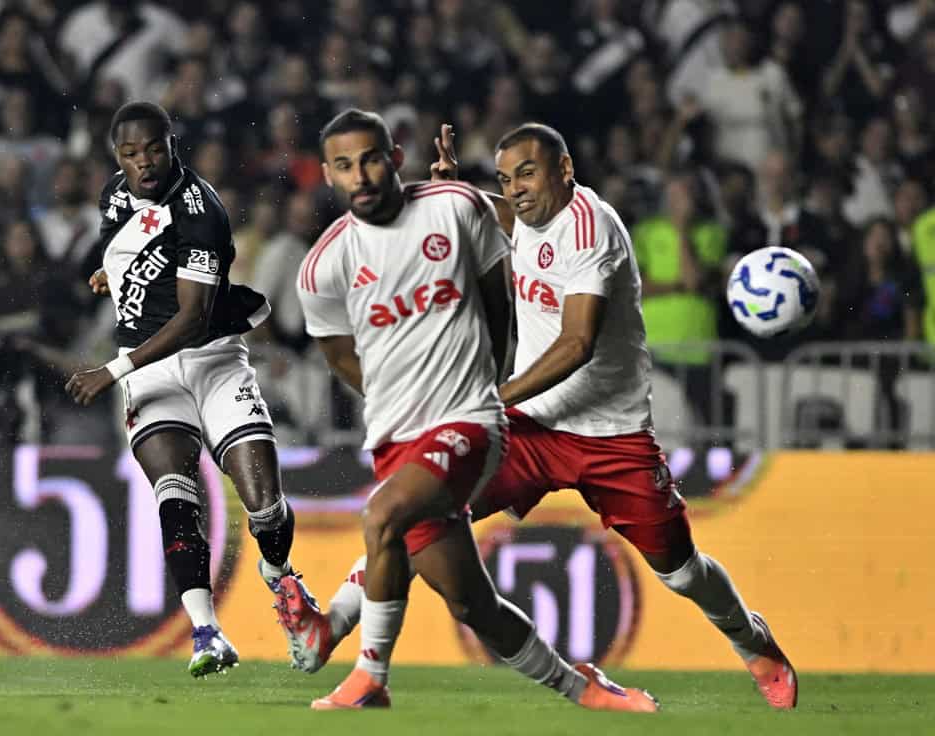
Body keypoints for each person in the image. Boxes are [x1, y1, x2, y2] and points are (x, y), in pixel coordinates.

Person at [279, 122, 798, 710]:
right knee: (414, 510)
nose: (517, 189)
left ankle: (750, 640)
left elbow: (577, 344)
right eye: (506, 179)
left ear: (565, 169)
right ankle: (333, 626)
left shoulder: (591, 227)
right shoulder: (519, 219)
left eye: (527, 173)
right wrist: (458, 195)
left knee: (680, 572)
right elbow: (489, 217)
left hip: (611, 435)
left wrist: (492, 395)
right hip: (530, 431)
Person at [288, 108, 657, 712]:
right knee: (471, 604)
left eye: (372, 158)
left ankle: (369, 679)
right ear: (327, 176)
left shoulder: (455, 207)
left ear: (396, 157)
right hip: (396, 435)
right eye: (345, 165)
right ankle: (583, 688)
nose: (361, 175)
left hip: (470, 421)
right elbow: (338, 354)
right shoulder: (322, 268)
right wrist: (389, 392)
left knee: (381, 517)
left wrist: (480, 379)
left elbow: (497, 298)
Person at [65, 101, 311, 678]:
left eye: (153, 149)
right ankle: (207, 634)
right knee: (175, 496)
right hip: (153, 373)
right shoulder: (115, 194)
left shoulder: (201, 212)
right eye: (130, 154)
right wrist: (112, 272)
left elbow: (194, 317)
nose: (143, 163)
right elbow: (122, 244)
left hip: (211, 356)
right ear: (116, 156)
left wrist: (112, 371)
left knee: (264, 505)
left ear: (172, 144)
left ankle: (280, 577)